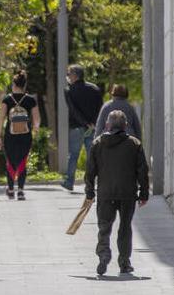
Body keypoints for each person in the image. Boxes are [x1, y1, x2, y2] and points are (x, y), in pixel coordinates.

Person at [85, 109, 151, 276]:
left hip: (105, 193)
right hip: (127, 193)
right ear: (125, 125)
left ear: (107, 125)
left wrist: (89, 192)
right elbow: (142, 171)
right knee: (125, 227)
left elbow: (90, 170)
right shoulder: (134, 144)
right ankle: (124, 262)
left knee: (104, 226)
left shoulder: (98, 143)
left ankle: (104, 255)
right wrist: (144, 193)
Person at [0, 72, 39, 201]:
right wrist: (34, 131)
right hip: (25, 135)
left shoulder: (7, 99)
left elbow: (1, 119)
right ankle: (20, 190)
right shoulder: (31, 100)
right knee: (22, 162)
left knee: (11, 162)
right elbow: (37, 120)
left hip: (10, 135)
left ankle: (10, 189)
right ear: (24, 85)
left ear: (13, 84)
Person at [63, 64, 104, 193]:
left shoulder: (68, 90)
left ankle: (69, 182)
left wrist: (85, 123)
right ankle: (90, 183)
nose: (67, 76)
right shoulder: (94, 88)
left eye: (69, 74)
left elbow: (73, 110)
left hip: (77, 127)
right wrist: (93, 123)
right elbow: (101, 108)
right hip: (93, 127)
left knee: (73, 155)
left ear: (75, 75)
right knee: (92, 156)